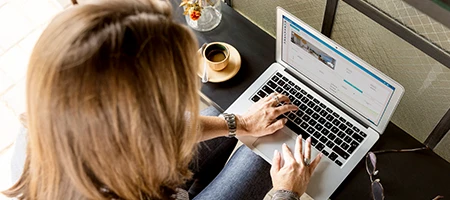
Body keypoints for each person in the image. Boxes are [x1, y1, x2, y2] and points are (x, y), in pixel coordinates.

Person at [2, 0, 322, 199]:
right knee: (262, 158)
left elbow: (163, 126)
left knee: (232, 120)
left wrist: (239, 122)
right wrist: (285, 193)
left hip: (156, 184)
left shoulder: (59, 115)